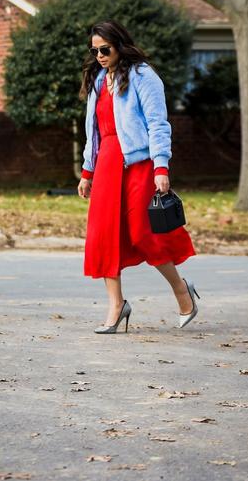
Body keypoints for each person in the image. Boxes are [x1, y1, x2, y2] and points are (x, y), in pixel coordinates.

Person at [77, 20, 200, 334]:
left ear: (119, 44)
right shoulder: (98, 80)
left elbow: (159, 124)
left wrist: (161, 166)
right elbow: (93, 131)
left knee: (143, 234)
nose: (100, 56)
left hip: (139, 162)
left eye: (105, 49)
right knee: (103, 235)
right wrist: (87, 171)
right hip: (106, 162)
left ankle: (181, 290)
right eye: (95, 51)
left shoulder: (143, 76)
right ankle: (116, 306)